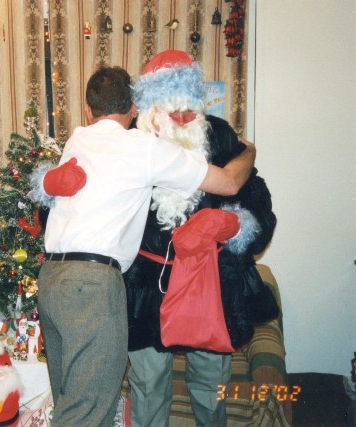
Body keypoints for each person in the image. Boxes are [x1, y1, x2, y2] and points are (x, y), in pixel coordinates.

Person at [31, 66, 256, 426]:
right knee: (88, 411)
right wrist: (249, 152)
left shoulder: (77, 139)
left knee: (70, 400)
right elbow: (229, 183)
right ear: (135, 108)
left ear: (88, 110)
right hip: (92, 283)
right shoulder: (143, 148)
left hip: (51, 279)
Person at [123, 50, 278, 426]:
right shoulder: (129, 145)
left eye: (187, 109)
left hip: (211, 282)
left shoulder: (219, 136)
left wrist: (236, 225)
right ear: (150, 109)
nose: (180, 119)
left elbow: (254, 195)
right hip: (147, 287)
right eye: (170, 109)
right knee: (148, 386)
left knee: (211, 386)